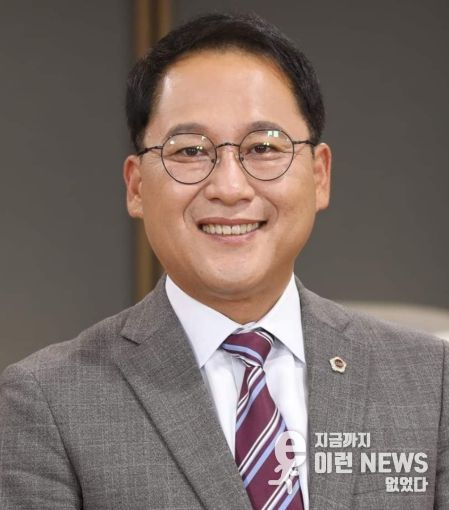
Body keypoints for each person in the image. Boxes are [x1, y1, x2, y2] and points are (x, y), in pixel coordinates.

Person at [0, 12, 447, 510]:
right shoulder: (48, 401)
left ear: (319, 175)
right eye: (190, 151)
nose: (230, 187)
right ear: (137, 186)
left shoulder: (431, 381)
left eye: (264, 147)